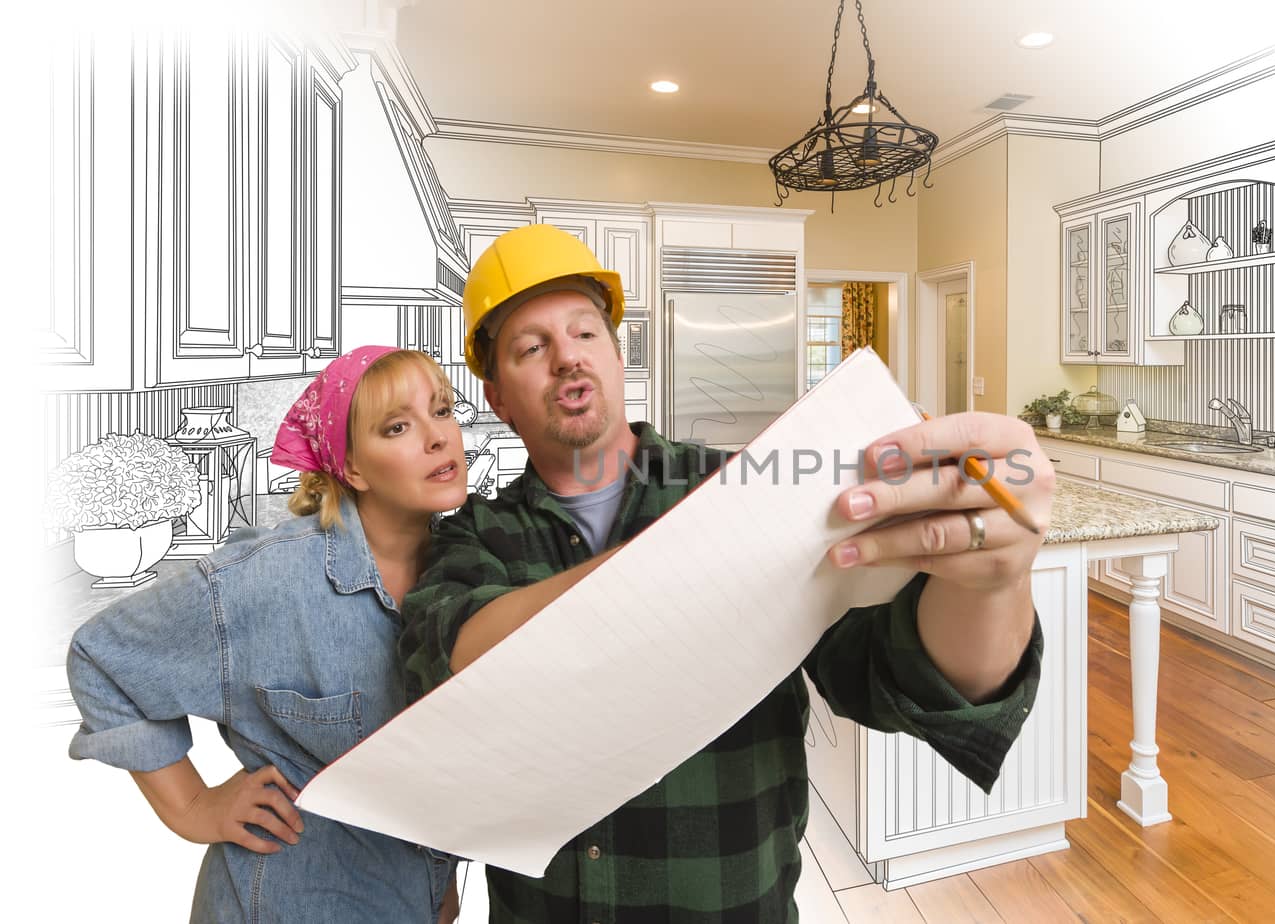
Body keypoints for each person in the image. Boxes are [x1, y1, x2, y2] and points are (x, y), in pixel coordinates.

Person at [399, 225, 1053, 922]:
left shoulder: (741, 489)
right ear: (498, 398)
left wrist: (993, 581)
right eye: (532, 348)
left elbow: (895, 674)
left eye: (585, 334)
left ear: (618, 357)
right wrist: (704, 554)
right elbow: (449, 666)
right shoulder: (472, 535)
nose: (567, 359)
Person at [67, 346, 470, 923]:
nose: (438, 438)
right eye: (399, 426)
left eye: (443, 410)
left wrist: (437, 878)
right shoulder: (266, 579)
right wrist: (194, 805)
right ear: (351, 467)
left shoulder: (466, 574)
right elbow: (101, 656)